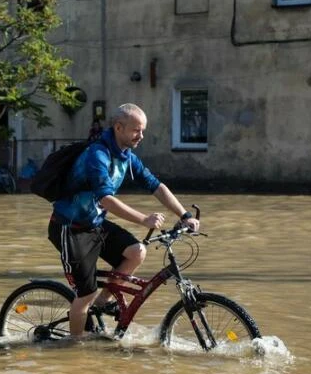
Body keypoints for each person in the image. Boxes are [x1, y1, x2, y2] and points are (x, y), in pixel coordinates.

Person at [47, 103, 200, 338]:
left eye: (143, 130)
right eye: (136, 130)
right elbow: (106, 199)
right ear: (119, 128)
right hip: (70, 228)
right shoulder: (97, 155)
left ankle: (102, 302)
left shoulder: (127, 157)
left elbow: (156, 186)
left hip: (95, 224)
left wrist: (184, 215)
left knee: (137, 251)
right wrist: (143, 219)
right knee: (84, 295)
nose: (141, 136)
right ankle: (74, 348)